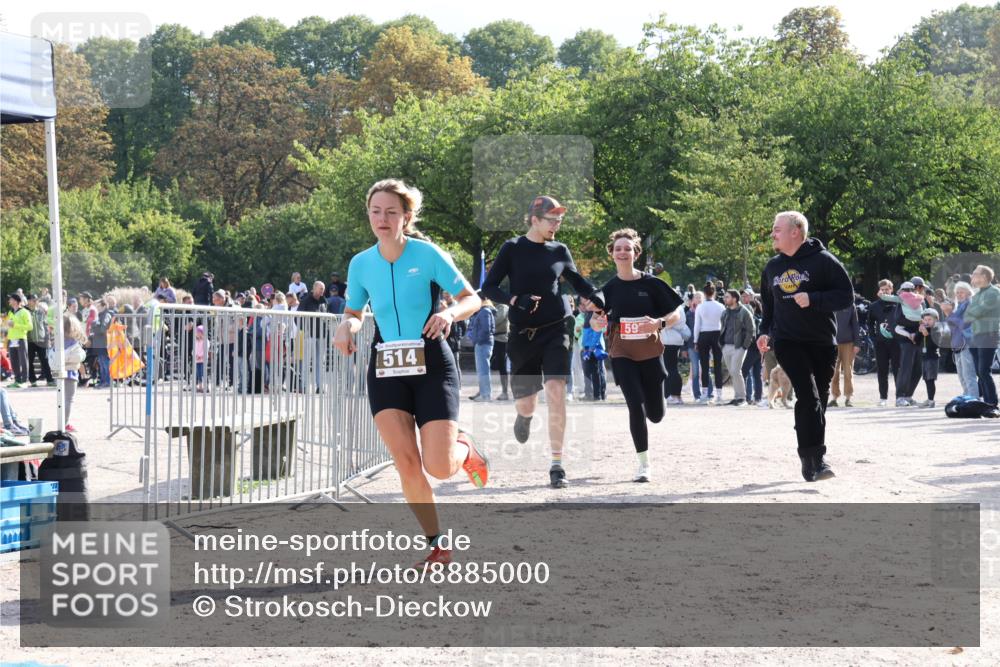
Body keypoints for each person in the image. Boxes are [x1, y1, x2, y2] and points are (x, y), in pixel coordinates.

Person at [333, 178, 488, 569]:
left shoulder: (428, 253)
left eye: (390, 212)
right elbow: (354, 312)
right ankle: (438, 545)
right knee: (405, 462)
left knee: (437, 466)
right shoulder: (361, 263)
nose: (382, 219)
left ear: (406, 216)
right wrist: (346, 327)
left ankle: (465, 449)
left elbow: (472, 298)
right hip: (386, 367)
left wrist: (448, 313)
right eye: (375, 211)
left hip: (432, 365)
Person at [481, 195, 605, 489]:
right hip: (523, 334)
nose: (556, 225)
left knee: (556, 390)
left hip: (555, 329)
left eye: (559, 220)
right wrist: (514, 300)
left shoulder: (560, 249)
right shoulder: (512, 248)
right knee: (526, 403)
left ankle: (557, 464)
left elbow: (578, 281)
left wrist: (596, 295)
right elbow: (488, 286)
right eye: (551, 220)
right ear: (534, 219)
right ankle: (523, 417)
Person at [757, 211, 853, 482]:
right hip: (788, 341)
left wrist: (813, 299)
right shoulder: (772, 267)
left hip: (822, 342)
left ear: (795, 231)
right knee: (808, 395)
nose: (773, 233)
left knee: (818, 401)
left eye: (777, 229)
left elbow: (846, 296)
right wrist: (764, 332)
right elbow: (769, 307)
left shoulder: (824, 261)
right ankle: (816, 457)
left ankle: (810, 462)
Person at [590, 228, 683, 482]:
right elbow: (596, 318)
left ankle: (657, 407)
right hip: (622, 352)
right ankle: (644, 464)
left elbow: (676, 314)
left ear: (636, 253)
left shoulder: (652, 284)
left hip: (650, 352)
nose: (622, 252)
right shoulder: (608, 289)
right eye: (618, 248)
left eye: (627, 248)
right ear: (612, 254)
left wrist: (659, 324)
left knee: (655, 414)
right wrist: (596, 323)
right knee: (635, 405)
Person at [966, 264, 1000, 406]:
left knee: (983, 370)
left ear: (984, 277)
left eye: (975, 274)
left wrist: (972, 312)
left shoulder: (993, 293)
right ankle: (987, 402)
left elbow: (976, 312)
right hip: (976, 334)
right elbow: (968, 315)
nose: (972, 276)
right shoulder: (978, 293)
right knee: (980, 371)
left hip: (988, 334)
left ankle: (992, 403)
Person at [720, 289, 755, 406]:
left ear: (734, 299)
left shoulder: (744, 312)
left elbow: (751, 330)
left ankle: (742, 398)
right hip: (726, 346)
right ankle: (737, 397)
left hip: (739, 346)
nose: (725, 299)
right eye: (725, 297)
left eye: (727, 297)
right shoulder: (725, 313)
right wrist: (722, 344)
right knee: (732, 372)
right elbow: (723, 328)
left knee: (735, 371)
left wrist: (744, 346)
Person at [868, 280, 900, 407]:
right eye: (882, 289)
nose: (885, 291)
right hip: (881, 343)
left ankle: (900, 397)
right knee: (882, 371)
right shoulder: (874, 306)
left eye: (887, 289)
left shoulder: (898, 303)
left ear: (891, 290)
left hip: (896, 342)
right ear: (879, 291)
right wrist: (873, 338)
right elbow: (870, 323)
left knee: (898, 370)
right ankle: (883, 398)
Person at [693, 283, 726, 404]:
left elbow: (697, 325)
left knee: (705, 365)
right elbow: (724, 324)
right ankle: (719, 395)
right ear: (714, 292)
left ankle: (705, 394)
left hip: (704, 335)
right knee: (718, 365)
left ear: (704, 293)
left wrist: (695, 340)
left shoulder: (700, 307)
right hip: (717, 334)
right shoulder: (721, 306)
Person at [946, 281, 978, 397]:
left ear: (969, 293)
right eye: (957, 293)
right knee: (961, 374)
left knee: (968, 374)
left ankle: (973, 399)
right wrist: (950, 315)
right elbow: (952, 326)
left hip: (968, 343)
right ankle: (967, 396)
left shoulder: (971, 305)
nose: (959, 295)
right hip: (958, 344)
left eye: (961, 292)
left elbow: (964, 324)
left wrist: (949, 314)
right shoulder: (958, 306)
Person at [828, 303, 861, 407]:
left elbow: (855, 324)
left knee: (848, 371)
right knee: (833, 372)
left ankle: (848, 397)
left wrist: (857, 343)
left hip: (849, 343)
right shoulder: (829, 303)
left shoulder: (851, 305)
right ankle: (834, 397)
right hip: (832, 342)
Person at [467, 297, 495, 402]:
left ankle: (485, 395)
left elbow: (486, 329)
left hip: (483, 344)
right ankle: (483, 393)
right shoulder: (483, 311)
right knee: (482, 370)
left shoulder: (485, 311)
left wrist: (478, 340)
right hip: (482, 343)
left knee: (483, 371)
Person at [26, 295, 55, 387]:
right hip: (29, 341)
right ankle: (33, 381)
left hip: (42, 341)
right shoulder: (25, 311)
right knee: (30, 362)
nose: (35, 302)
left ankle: (50, 380)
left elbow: (45, 326)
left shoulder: (41, 312)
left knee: (45, 361)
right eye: (33, 300)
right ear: (28, 301)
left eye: (36, 300)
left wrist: (48, 339)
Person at [5, 293, 32, 388]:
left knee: (23, 361)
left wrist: (15, 325)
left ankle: (25, 381)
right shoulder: (10, 312)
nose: (9, 301)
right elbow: (9, 326)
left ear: (16, 301)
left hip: (21, 339)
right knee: (14, 362)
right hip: (12, 340)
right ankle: (17, 380)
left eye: (11, 299)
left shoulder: (25, 312)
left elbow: (30, 327)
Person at [917, 308, 941, 408]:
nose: (927, 322)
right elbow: (917, 341)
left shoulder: (937, 330)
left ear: (936, 320)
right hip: (924, 357)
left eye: (929, 319)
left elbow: (936, 344)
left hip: (932, 357)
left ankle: (931, 400)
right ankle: (929, 398)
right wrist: (919, 332)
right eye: (925, 320)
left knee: (930, 379)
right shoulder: (923, 329)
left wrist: (927, 334)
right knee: (926, 379)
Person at [491, 301, 511, 401]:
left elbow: (498, 319)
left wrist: (488, 322)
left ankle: (505, 392)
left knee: (503, 366)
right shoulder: (496, 307)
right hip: (497, 339)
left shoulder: (502, 306)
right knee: (499, 365)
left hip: (502, 339)